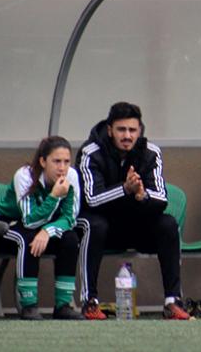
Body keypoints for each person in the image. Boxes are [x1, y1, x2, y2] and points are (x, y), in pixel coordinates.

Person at [75, 102, 189, 320]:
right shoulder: (90, 153)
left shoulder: (150, 153)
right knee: (94, 224)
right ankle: (90, 301)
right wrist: (125, 189)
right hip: (106, 230)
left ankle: (173, 301)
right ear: (110, 130)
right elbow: (92, 199)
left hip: (136, 227)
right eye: (121, 130)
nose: (127, 135)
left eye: (132, 130)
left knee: (167, 223)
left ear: (140, 130)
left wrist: (141, 196)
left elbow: (161, 197)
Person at [0, 136, 83, 320]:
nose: (62, 167)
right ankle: (29, 305)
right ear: (43, 161)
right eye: (56, 161)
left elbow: (69, 218)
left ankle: (63, 305)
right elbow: (29, 220)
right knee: (26, 237)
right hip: (8, 223)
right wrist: (54, 196)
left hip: (43, 226)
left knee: (70, 238)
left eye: (66, 161)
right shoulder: (25, 175)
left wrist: (47, 231)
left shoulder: (72, 176)